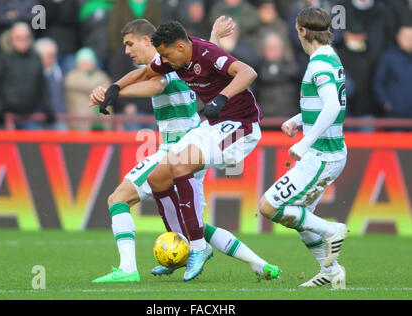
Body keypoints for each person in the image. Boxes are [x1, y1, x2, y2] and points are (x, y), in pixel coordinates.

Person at [89, 17, 280, 283]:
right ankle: (226, 256)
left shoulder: (199, 54)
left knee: (174, 169)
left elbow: (246, 71)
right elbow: (149, 72)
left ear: (178, 46)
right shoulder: (178, 57)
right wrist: (115, 87)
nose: (164, 63)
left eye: (130, 44)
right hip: (210, 127)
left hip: (240, 127)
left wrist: (222, 98)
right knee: (158, 179)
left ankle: (197, 249)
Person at [259, 7, 349, 288]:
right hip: (330, 152)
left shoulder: (318, 64)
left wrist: (305, 141)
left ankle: (332, 230)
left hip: (320, 154)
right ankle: (332, 271)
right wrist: (299, 120)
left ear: (302, 31)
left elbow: (333, 105)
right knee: (300, 218)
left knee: (269, 207)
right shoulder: (330, 57)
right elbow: (333, 102)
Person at [0, 22, 54, 129]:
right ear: (11, 38)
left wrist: (48, 107)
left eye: (26, 37)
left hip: (31, 115)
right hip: (7, 117)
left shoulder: (35, 58)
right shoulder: (2, 58)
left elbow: (43, 85)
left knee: (32, 145)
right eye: (19, 38)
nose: (23, 41)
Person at [64, 47, 112, 131]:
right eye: (83, 62)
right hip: (81, 122)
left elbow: (109, 89)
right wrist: (98, 88)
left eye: (89, 62)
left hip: (102, 122)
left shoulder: (101, 75)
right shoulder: (72, 76)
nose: (87, 64)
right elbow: (87, 86)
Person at [374, 26, 412, 119]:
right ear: (398, 38)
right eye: (406, 37)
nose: (410, 40)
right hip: (395, 113)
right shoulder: (388, 56)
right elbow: (378, 82)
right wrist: (386, 103)